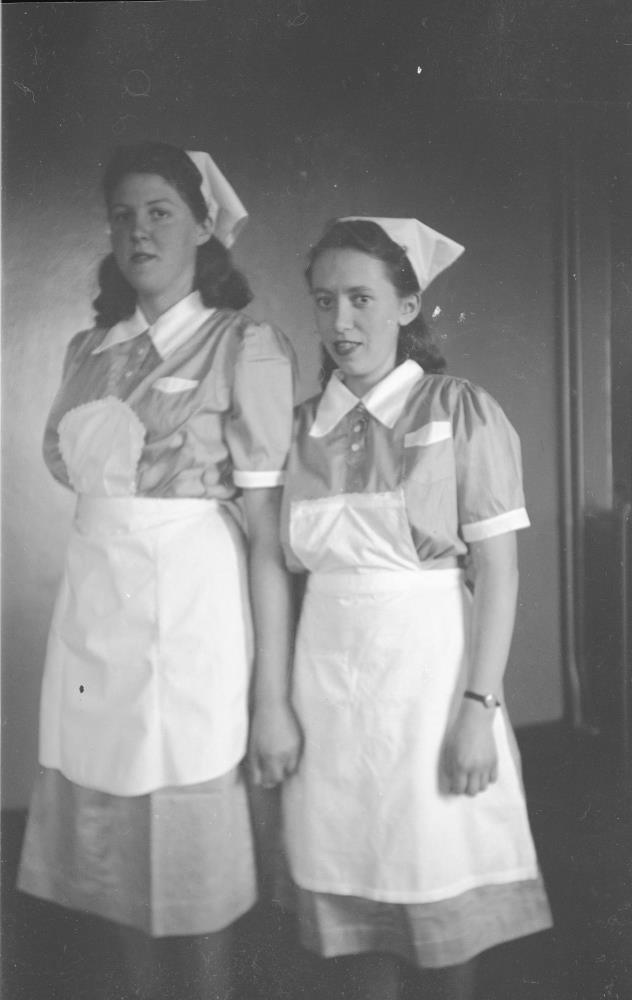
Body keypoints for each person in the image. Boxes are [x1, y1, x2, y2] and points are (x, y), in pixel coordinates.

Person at [17, 141, 301, 1000]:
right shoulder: (88, 349)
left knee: (193, 859)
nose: (138, 231)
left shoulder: (242, 344)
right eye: (123, 215)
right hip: (93, 614)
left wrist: (273, 697)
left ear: (204, 226)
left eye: (161, 212)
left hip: (190, 616)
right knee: (114, 852)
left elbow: (266, 538)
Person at [254, 217, 553, 999]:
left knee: (437, 883)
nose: (341, 322)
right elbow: (277, 570)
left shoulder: (459, 412)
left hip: (430, 684)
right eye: (325, 301)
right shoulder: (298, 429)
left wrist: (478, 710)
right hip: (327, 689)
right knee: (353, 897)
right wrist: (274, 705)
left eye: (362, 298)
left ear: (408, 305)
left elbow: (500, 572)